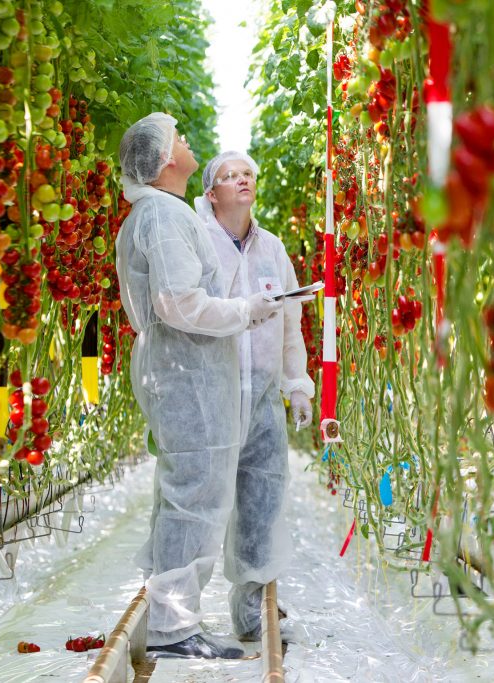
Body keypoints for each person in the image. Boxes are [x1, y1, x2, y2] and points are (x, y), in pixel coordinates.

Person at [115, 113, 284, 659]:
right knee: (196, 495)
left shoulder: (161, 213)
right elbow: (178, 302)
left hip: (185, 369)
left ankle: (173, 618)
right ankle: (174, 626)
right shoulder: (163, 215)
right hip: (186, 371)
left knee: (190, 492)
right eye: (178, 139)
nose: (187, 143)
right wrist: (246, 310)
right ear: (165, 160)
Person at [194, 150, 315, 644]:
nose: (243, 179)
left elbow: (290, 325)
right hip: (211, 396)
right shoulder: (198, 244)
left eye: (249, 173)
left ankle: (249, 612)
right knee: (200, 505)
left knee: (260, 505)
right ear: (211, 193)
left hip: (263, 398)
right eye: (231, 175)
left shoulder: (272, 249)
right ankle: (177, 615)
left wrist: (297, 384)